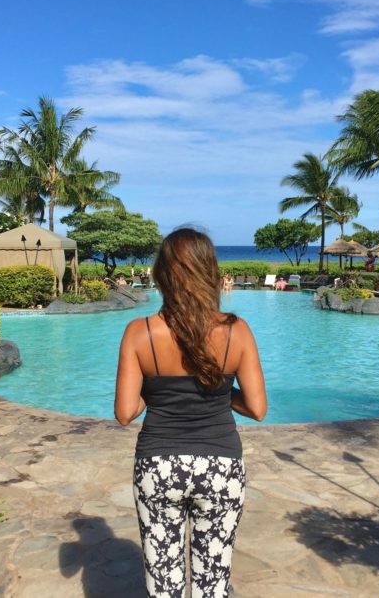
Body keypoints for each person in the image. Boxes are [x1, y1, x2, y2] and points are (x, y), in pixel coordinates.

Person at [114, 228, 267, 597]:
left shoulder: (139, 333)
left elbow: (124, 412)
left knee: (163, 581)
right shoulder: (236, 331)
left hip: (158, 465)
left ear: (161, 274)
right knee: (212, 581)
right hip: (220, 467)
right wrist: (219, 390)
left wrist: (157, 389)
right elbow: (257, 408)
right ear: (210, 273)